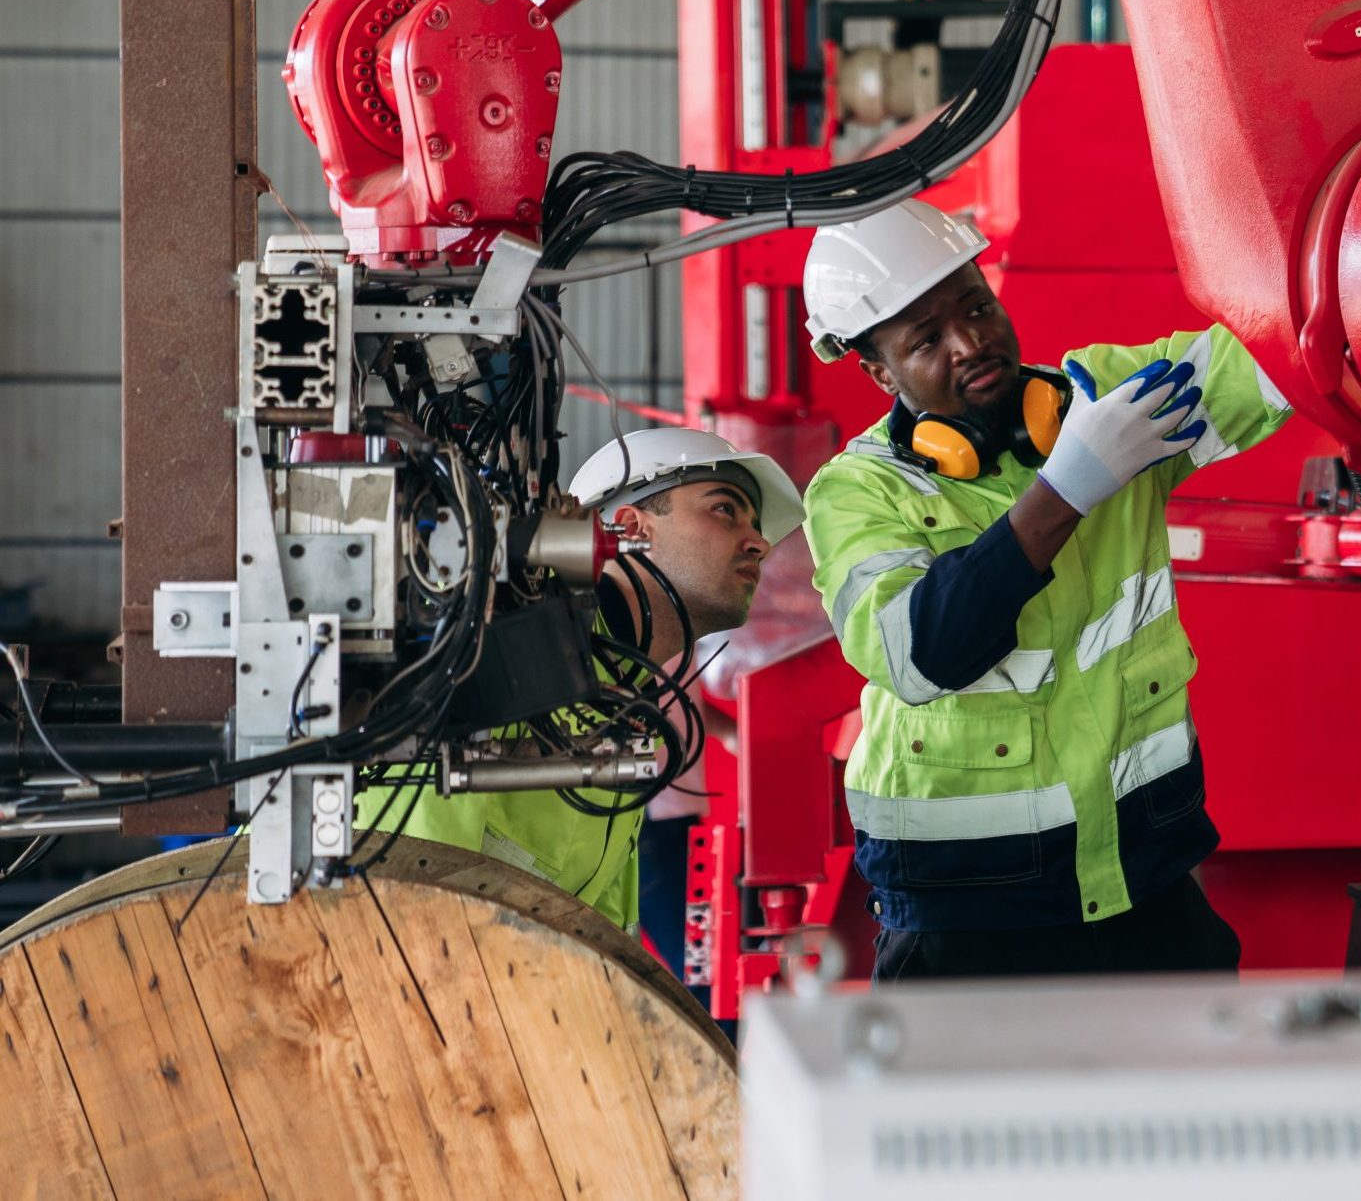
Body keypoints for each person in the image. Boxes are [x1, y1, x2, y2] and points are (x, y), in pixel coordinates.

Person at [801, 199, 1293, 982]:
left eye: (975, 306)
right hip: (966, 909)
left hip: (1144, 878)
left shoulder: (1097, 399)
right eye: (925, 340)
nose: (970, 343)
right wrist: (1068, 485)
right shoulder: (858, 491)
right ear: (879, 372)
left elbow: (1276, 359)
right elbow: (925, 651)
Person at [358, 427, 802, 930]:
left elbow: (604, 927)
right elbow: (415, 877)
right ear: (631, 525)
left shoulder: (632, 694)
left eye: (755, 524)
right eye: (725, 509)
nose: (759, 543)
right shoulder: (509, 637)